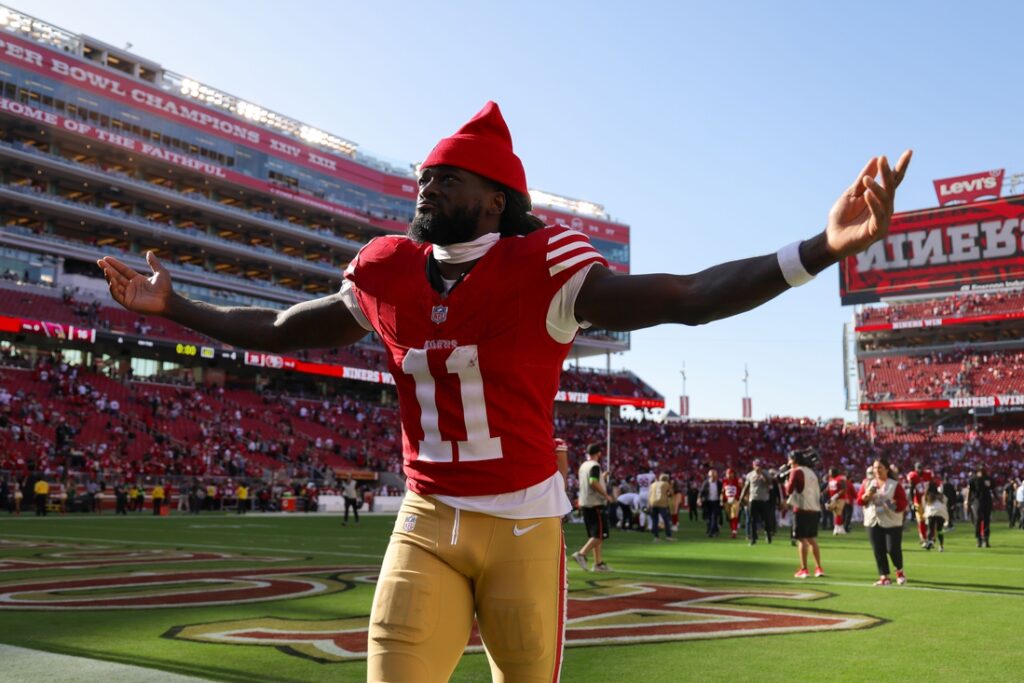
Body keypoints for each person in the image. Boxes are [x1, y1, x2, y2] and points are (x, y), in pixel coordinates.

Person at [96, 101, 910, 682]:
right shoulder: (385, 271)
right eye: (422, 175)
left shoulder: (544, 267)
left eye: (444, 178)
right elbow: (282, 328)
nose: (424, 187)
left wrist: (821, 246)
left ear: (494, 198)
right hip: (426, 521)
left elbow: (689, 297)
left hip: (522, 528)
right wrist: (176, 306)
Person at [857, 457, 909, 586]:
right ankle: (884, 576)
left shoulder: (894, 484)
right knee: (878, 549)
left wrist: (893, 503)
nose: (877, 470)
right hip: (872, 520)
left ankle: (900, 572)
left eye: (880, 467)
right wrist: (867, 495)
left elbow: (903, 503)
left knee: (892, 548)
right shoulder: (867, 484)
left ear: (886, 469)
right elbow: (860, 501)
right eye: (875, 468)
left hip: (891, 521)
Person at [783, 448, 825, 578]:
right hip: (814, 508)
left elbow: (789, 490)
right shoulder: (812, 472)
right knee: (812, 539)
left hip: (802, 509)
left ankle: (804, 569)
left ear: (794, 460)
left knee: (802, 540)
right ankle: (818, 568)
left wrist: (785, 482)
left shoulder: (796, 471)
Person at [573, 443, 615, 572]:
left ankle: (598, 563)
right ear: (598, 453)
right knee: (600, 535)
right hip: (595, 503)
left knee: (595, 534)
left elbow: (590, 479)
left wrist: (602, 477)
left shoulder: (584, 465)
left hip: (585, 502)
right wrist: (606, 495)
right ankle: (581, 554)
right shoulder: (595, 466)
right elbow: (592, 482)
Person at [740, 459, 773, 545]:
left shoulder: (766, 473)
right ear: (753, 466)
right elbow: (746, 486)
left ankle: (768, 534)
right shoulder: (750, 475)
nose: (758, 467)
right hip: (753, 499)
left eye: (759, 465)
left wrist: (762, 475)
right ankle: (753, 538)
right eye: (756, 465)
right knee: (752, 520)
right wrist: (741, 497)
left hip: (764, 499)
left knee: (766, 520)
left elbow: (769, 483)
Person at [906, 461, 935, 547]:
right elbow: (911, 490)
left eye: (920, 468)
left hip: (927, 501)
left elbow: (933, 486)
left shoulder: (928, 474)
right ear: (915, 469)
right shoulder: (913, 476)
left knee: (930, 520)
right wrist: (911, 502)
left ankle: (930, 537)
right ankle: (923, 538)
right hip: (917, 502)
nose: (919, 470)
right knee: (920, 520)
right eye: (918, 468)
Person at [967, 466, 994, 548]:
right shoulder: (973, 479)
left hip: (986, 500)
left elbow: (992, 488)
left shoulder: (988, 478)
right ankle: (978, 539)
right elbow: (970, 490)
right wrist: (968, 500)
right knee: (978, 519)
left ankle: (986, 539)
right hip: (977, 500)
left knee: (986, 520)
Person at [648, 473, 676, 541]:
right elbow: (671, 494)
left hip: (652, 503)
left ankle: (656, 537)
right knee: (666, 520)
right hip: (662, 504)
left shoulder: (653, 484)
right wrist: (671, 486)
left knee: (655, 520)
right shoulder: (666, 484)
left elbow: (649, 495)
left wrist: (648, 505)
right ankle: (668, 536)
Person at [923, 481, 948, 552]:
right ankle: (941, 546)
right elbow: (946, 501)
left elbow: (925, 503)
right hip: (941, 513)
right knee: (939, 529)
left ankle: (929, 542)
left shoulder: (928, 495)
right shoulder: (941, 495)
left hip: (931, 512)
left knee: (930, 529)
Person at [698, 468, 723, 537]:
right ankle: (714, 530)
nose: (712, 477)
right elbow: (701, 492)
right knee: (708, 518)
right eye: (711, 476)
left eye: (714, 476)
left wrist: (722, 500)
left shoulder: (719, 483)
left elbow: (722, 493)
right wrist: (699, 499)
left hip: (716, 502)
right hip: (707, 502)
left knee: (714, 517)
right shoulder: (706, 483)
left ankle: (711, 532)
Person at [825, 466, 848, 535]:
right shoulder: (830, 479)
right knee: (836, 513)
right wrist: (823, 492)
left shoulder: (840, 478)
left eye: (830, 472)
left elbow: (844, 488)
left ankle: (836, 528)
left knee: (838, 511)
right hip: (832, 498)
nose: (829, 473)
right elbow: (828, 488)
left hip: (840, 498)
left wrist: (836, 495)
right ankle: (840, 528)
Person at [721, 467, 742, 539]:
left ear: (733, 474)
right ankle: (732, 531)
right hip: (727, 501)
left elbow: (741, 490)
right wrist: (722, 500)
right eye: (727, 473)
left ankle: (734, 531)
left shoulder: (737, 481)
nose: (729, 475)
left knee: (734, 516)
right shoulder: (724, 481)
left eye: (730, 473)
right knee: (729, 517)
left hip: (735, 500)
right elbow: (723, 492)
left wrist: (739, 499)